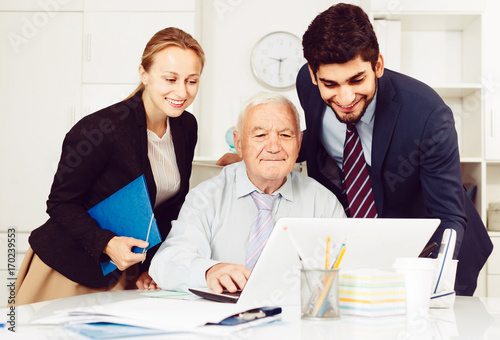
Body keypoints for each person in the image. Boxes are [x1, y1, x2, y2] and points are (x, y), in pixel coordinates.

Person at [296, 3, 492, 295]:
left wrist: (435, 281)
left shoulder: (428, 115)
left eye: (356, 79)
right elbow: (320, 137)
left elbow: (449, 215)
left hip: (433, 249)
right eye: (330, 84)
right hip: (360, 248)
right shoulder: (307, 86)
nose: (345, 97)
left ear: (378, 66)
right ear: (313, 76)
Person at [13, 27, 205, 305]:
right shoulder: (101, 130)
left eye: (192, 81)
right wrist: (106, 243)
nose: (181, 91)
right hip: (69, 269)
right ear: (144, 74)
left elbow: (169, 207)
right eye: (170, 79)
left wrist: (155, 263)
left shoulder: (186, 126)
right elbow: (61, 204)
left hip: (128, 270)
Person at [150, 92, 345, 294]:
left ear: (298, 142)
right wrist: (209, 271)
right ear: (239, 142)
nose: (274, 147)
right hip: (224, 320)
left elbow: (348, 263)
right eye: (260, 135)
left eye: (286, 135)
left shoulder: (322, 201)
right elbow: (166, 263)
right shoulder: (207, 197)